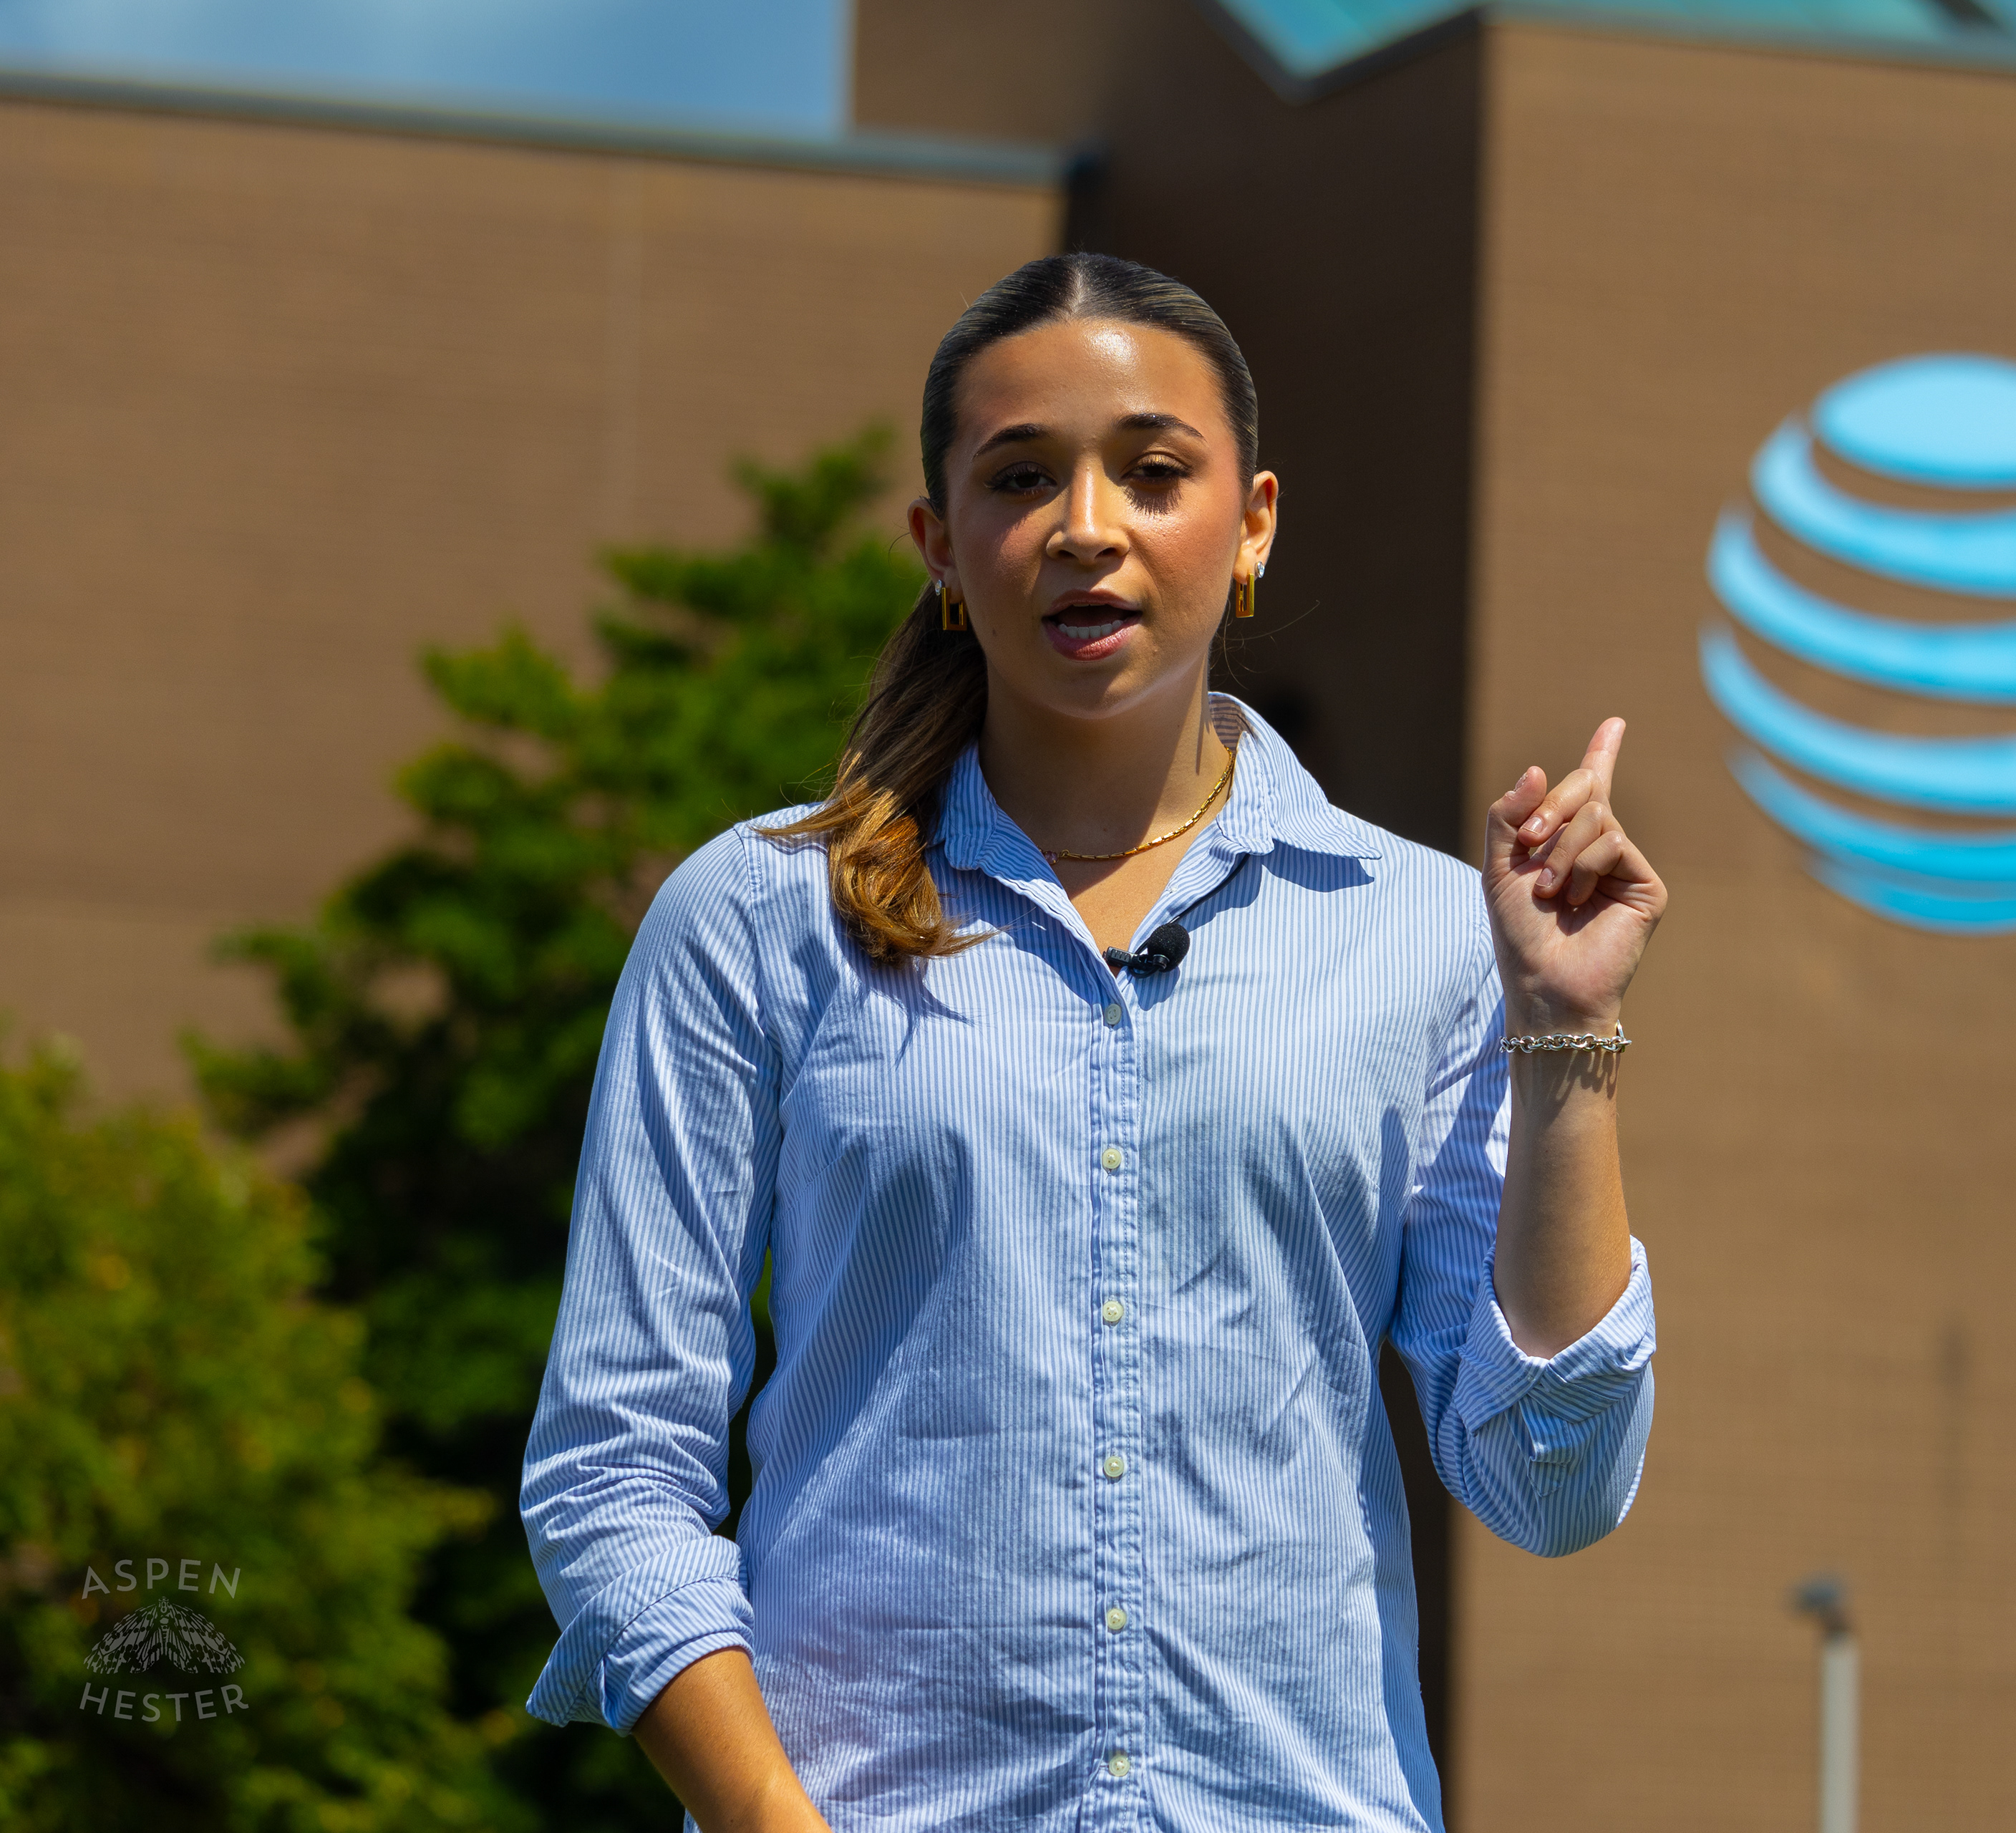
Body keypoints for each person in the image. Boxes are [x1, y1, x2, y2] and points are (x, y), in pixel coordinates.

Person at [520, 253, 1665, 1833]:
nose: (1086, 525)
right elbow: (612, 1471)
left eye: (1151, 470)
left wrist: (1569, 1033)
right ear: (938, 543)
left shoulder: (1422, 936)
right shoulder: (756, 919)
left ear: (1253, 521)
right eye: (1019, 476)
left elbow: (1552, 1481)